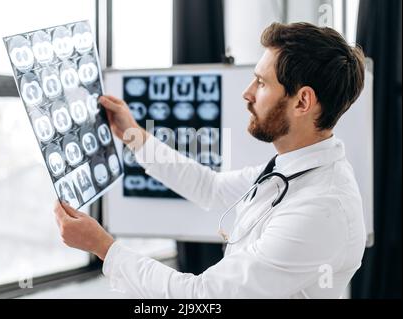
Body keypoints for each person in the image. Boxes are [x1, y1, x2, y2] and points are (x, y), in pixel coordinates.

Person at [54, 22, 367, 298]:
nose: (246, 93)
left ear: (302, 101)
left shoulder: (322, 207)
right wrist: (133, 135)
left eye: (260, 82)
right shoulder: (288, 168)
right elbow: (211, 187)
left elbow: (204, 298)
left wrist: (104, 249)